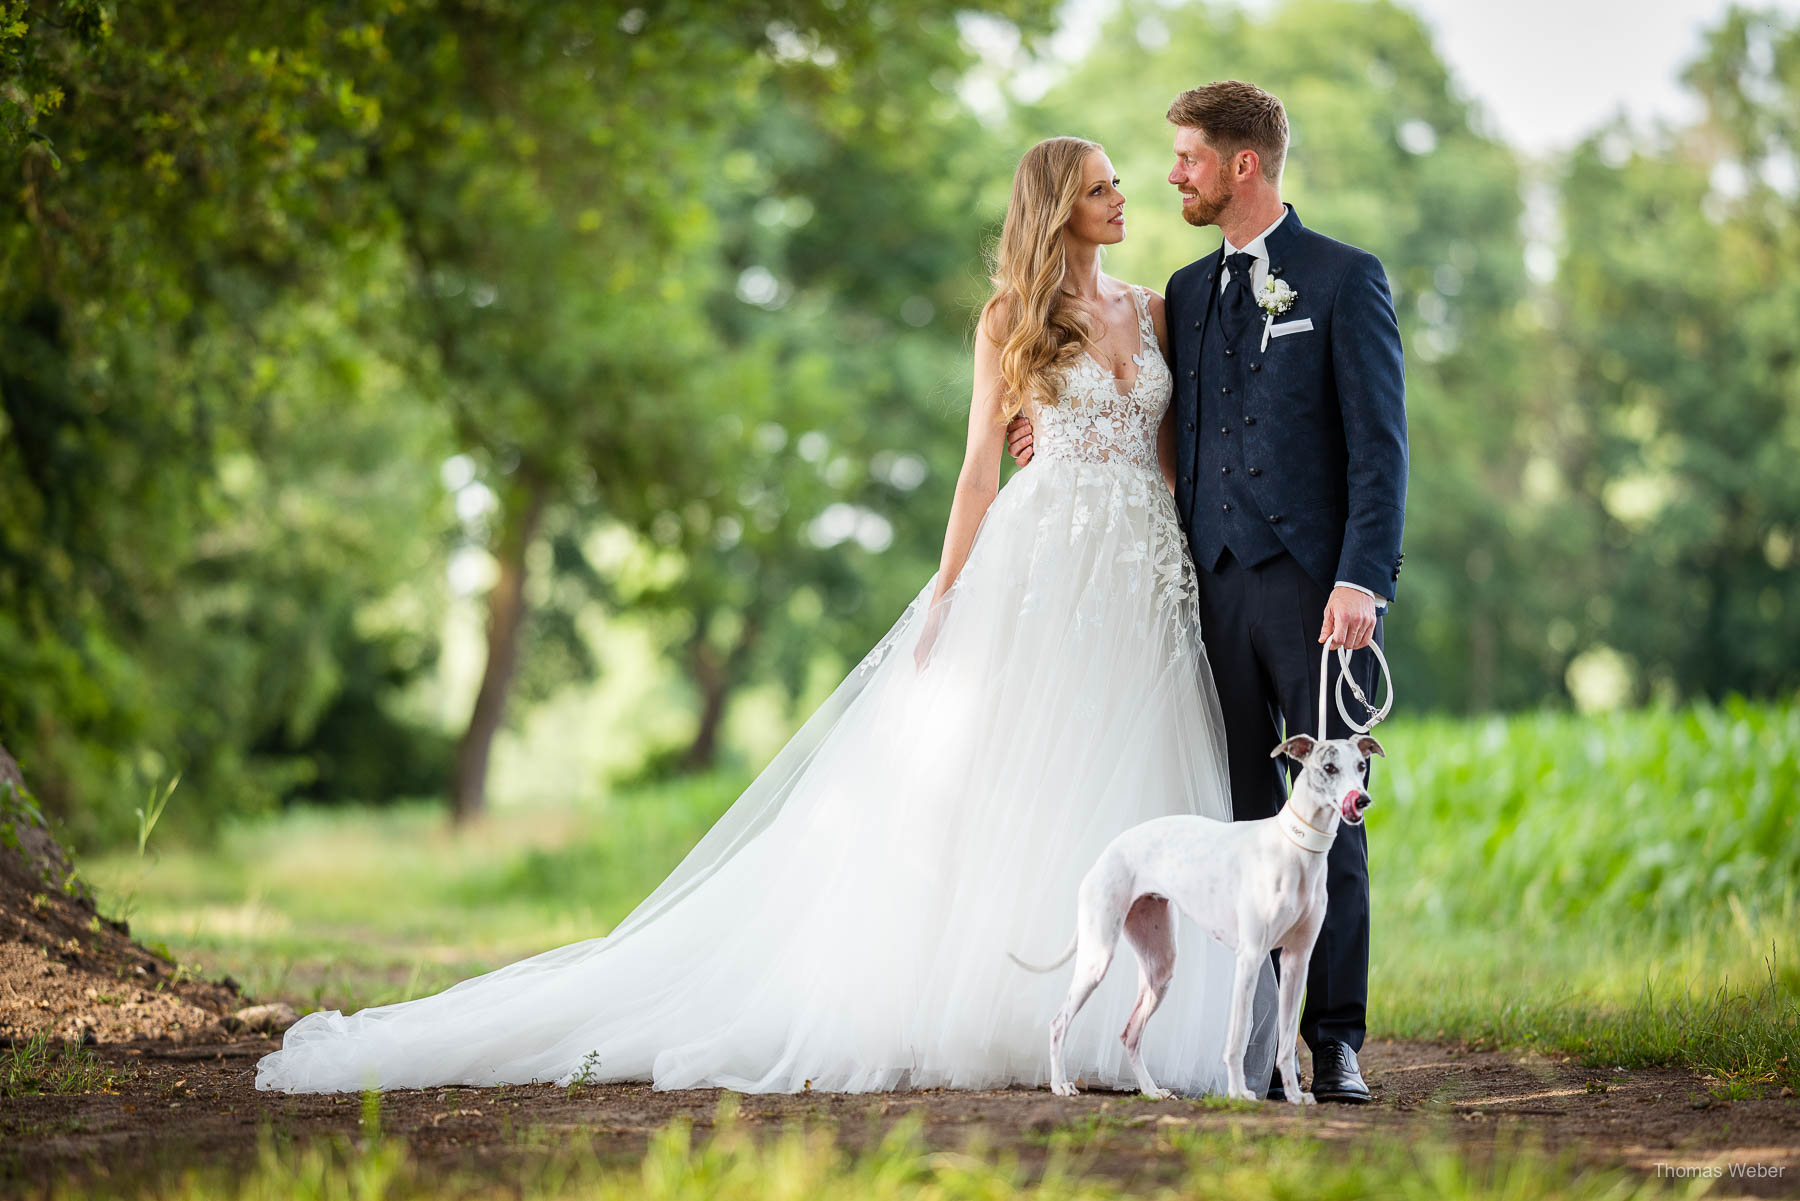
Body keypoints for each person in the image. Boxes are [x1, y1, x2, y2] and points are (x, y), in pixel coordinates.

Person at [254, 135, 1278, 1098]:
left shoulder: (1153, 310)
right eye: (1101, 187)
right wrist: (947, 593)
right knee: (1028, 769)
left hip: (1145, 573)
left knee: (1126, 766)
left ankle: (1136, 1025)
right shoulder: (1007, 317)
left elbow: (1170, 454)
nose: (1123, 197)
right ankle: (1026, 1016)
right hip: (1043, 560)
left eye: (1118, 184)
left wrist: (1193, 557)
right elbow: (976, 469)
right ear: (1059, 208)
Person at [1009, 81, 1408, 1104]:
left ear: (1243, 164)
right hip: (1208, 590)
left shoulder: (1344, 278)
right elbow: (1152, 424)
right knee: (1238, 814)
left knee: (1330, 814)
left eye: (1187, 157)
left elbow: (1381, 449)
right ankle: (1258, 1055)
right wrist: (1050, 437)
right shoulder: (1179, 294)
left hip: (1321, 597)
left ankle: (1338, 1040)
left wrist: (1363, 574)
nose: (1171, 175)